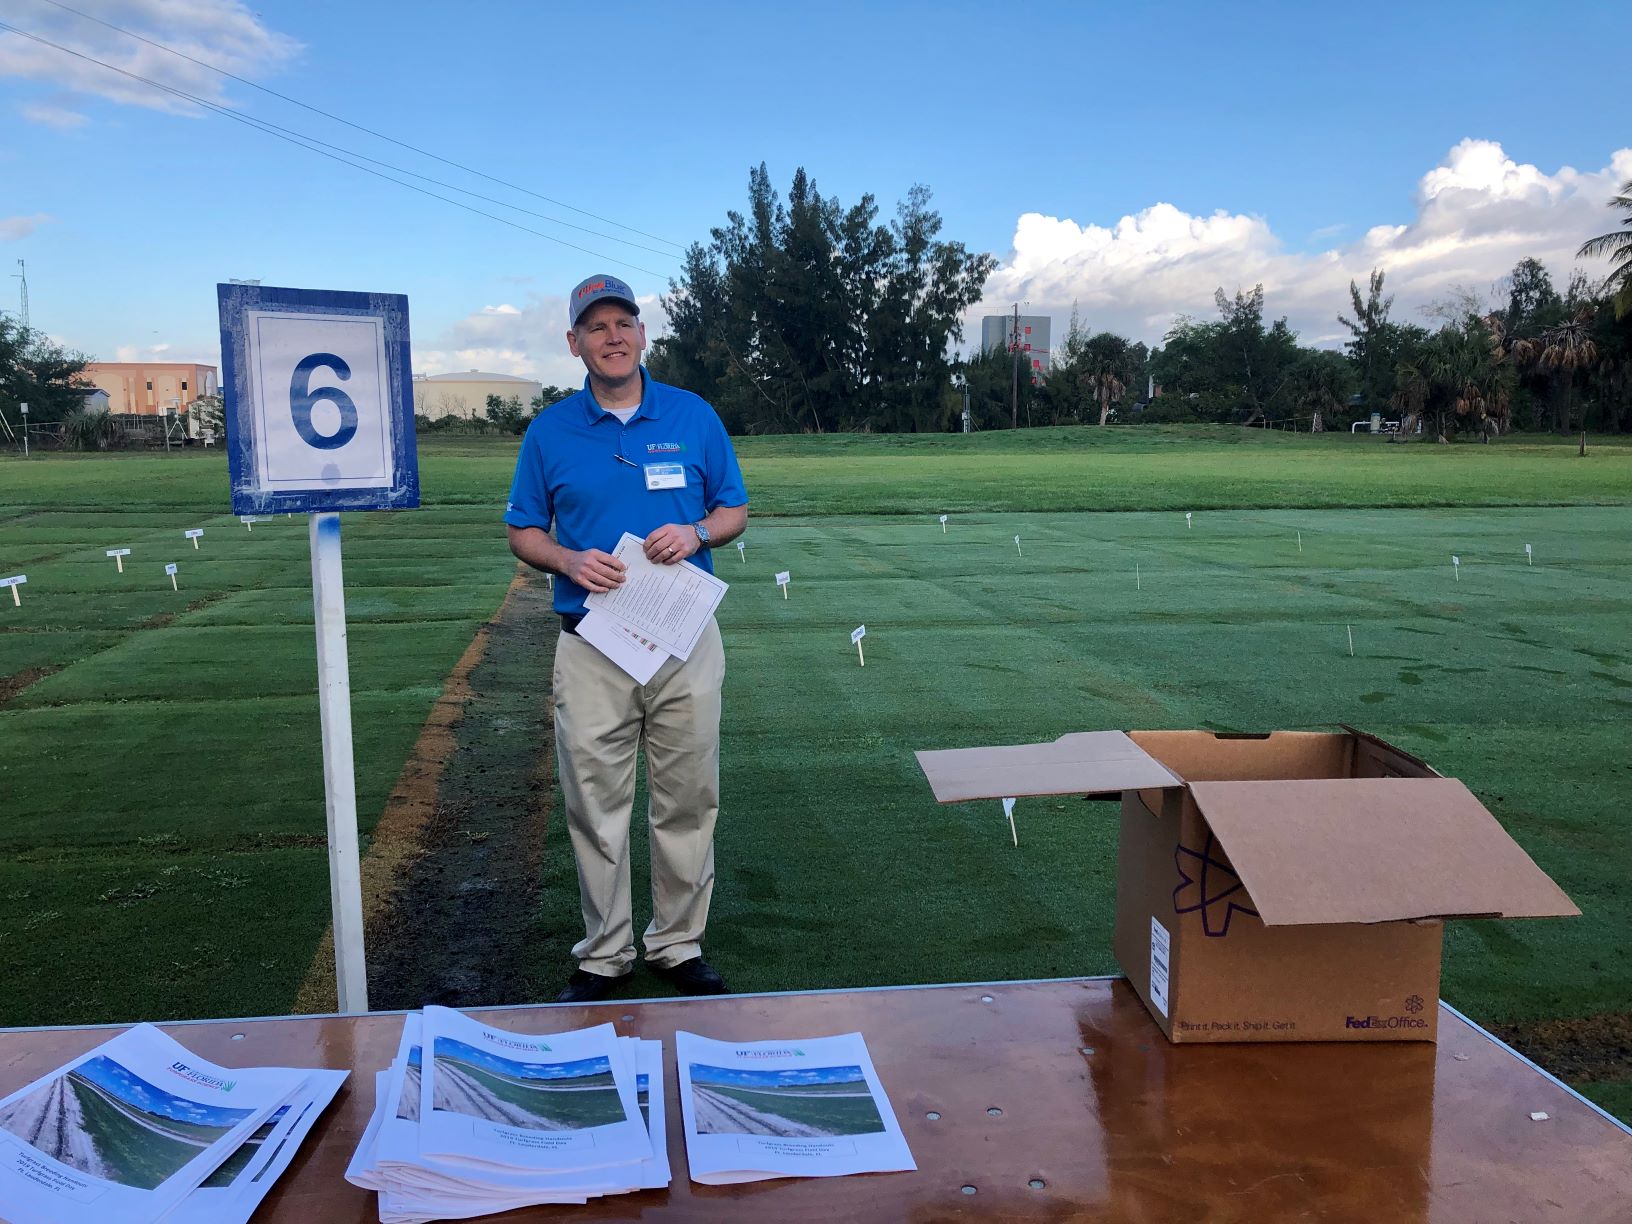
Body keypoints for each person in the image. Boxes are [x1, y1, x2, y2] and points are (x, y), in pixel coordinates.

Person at [504, 273, 748, 1004]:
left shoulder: (692, 414)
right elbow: (524, 530)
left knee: (688, 796)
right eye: (596, 326)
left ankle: (677, 944)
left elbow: (733, 510)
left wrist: (697, 532)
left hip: (682, 638)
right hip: (592, 641)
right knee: (594, 802)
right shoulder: (550, 431)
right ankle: (604, 954)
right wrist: (566, 559)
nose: (612, 337)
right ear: (574, 342)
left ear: (643, 335)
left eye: (623, 324)